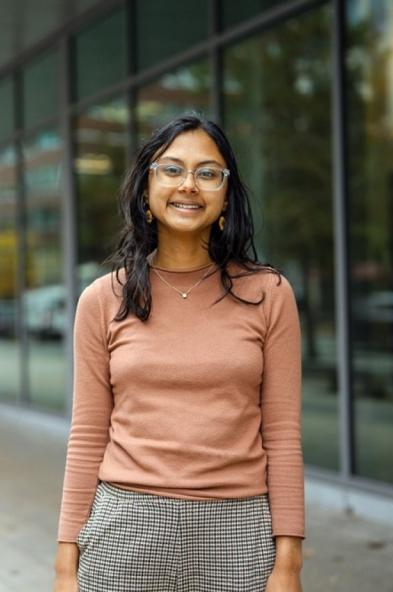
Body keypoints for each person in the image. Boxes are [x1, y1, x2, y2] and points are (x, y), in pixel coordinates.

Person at [53, 114, 304, 592]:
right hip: (125, 530)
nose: (189, 184)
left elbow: (283, 435)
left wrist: (288, 562)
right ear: (146, 187)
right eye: (172, 169)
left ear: (226, 194)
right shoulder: (103, 299)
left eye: (208, 173)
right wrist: (65, 564)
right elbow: (87, 435)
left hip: (238, 534)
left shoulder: (269, 294)